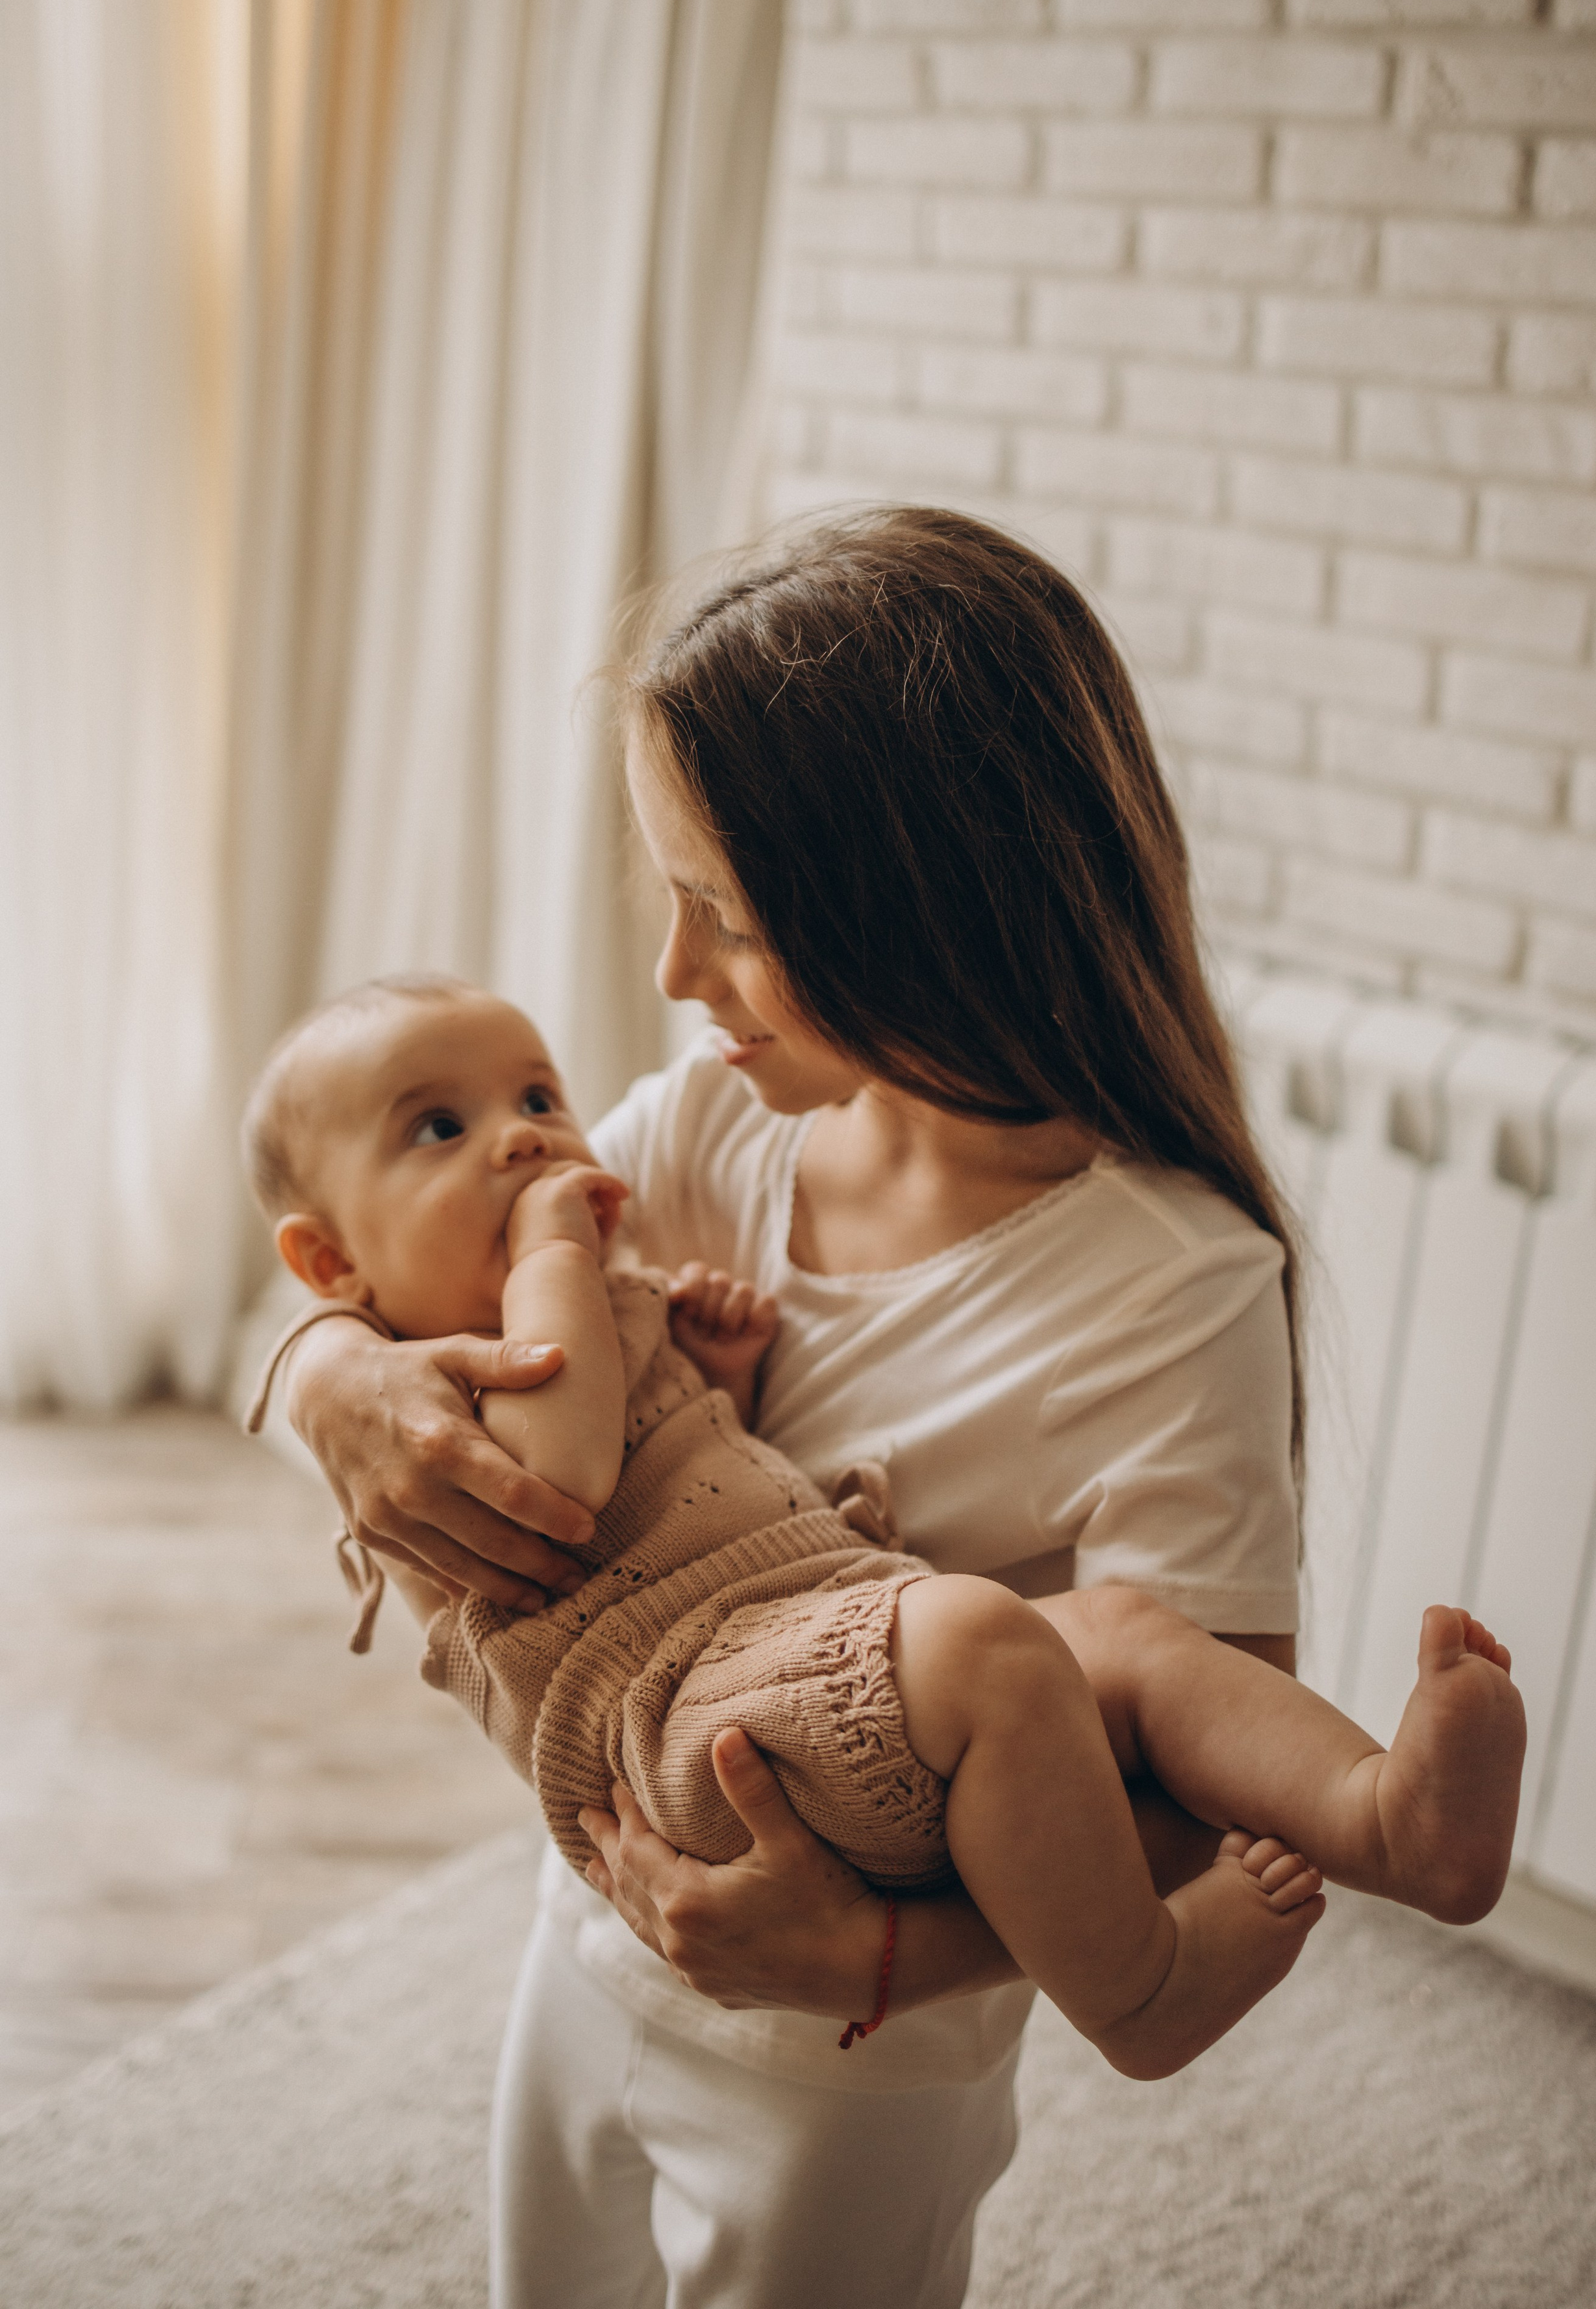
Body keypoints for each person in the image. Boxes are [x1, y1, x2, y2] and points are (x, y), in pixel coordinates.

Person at [266, 508, 1490, 2308]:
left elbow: (1179, 1794)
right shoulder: (710, 1124)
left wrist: (877, 1958)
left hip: (854, 2072)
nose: (674, 976)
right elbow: (415, 1271)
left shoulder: (1168, 1282)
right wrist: (318, 1374)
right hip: (591, 1926)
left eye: (722, 917)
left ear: (911, 919)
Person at [242, 977, 1524, 2090]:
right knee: (979, 1635)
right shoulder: (433, 1417)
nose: (522, 1140)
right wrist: (327, 1357)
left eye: (538, 1097)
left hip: (786, 1639)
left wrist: (719, 1380)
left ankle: (1378, 1819)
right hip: (669, 1729)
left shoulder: (592, 1294)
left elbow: (675, 1493)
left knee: (1122, 1634)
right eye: (440, 1128)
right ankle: (1143, 1995)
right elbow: (566, 1475)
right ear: (332, 1263)